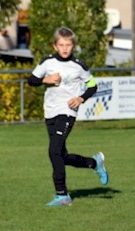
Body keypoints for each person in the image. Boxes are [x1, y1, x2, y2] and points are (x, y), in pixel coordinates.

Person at [28, 27, 108, 207]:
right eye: (61, 45)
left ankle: (62, 195)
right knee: (62, 156)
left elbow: (93, 85)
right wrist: (44, 80)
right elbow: (31, 80)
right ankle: (94, 163)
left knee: (53, 151)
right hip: (50, 112)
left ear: (73, 46)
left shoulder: (79, 66)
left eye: (68, 45)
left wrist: (81, 98)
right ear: (55, 46)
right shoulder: (47, 63)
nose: (65, 48)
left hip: (67, 112)